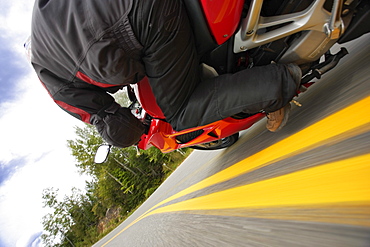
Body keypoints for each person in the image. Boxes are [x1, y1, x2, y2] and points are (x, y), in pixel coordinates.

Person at [28, 0, 301, 148]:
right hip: (137, 15)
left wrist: (136, 135)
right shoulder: (45, 14)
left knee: (180, 111)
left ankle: (277, 86)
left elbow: (110, 122)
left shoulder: (54, 81)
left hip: (145, 16)